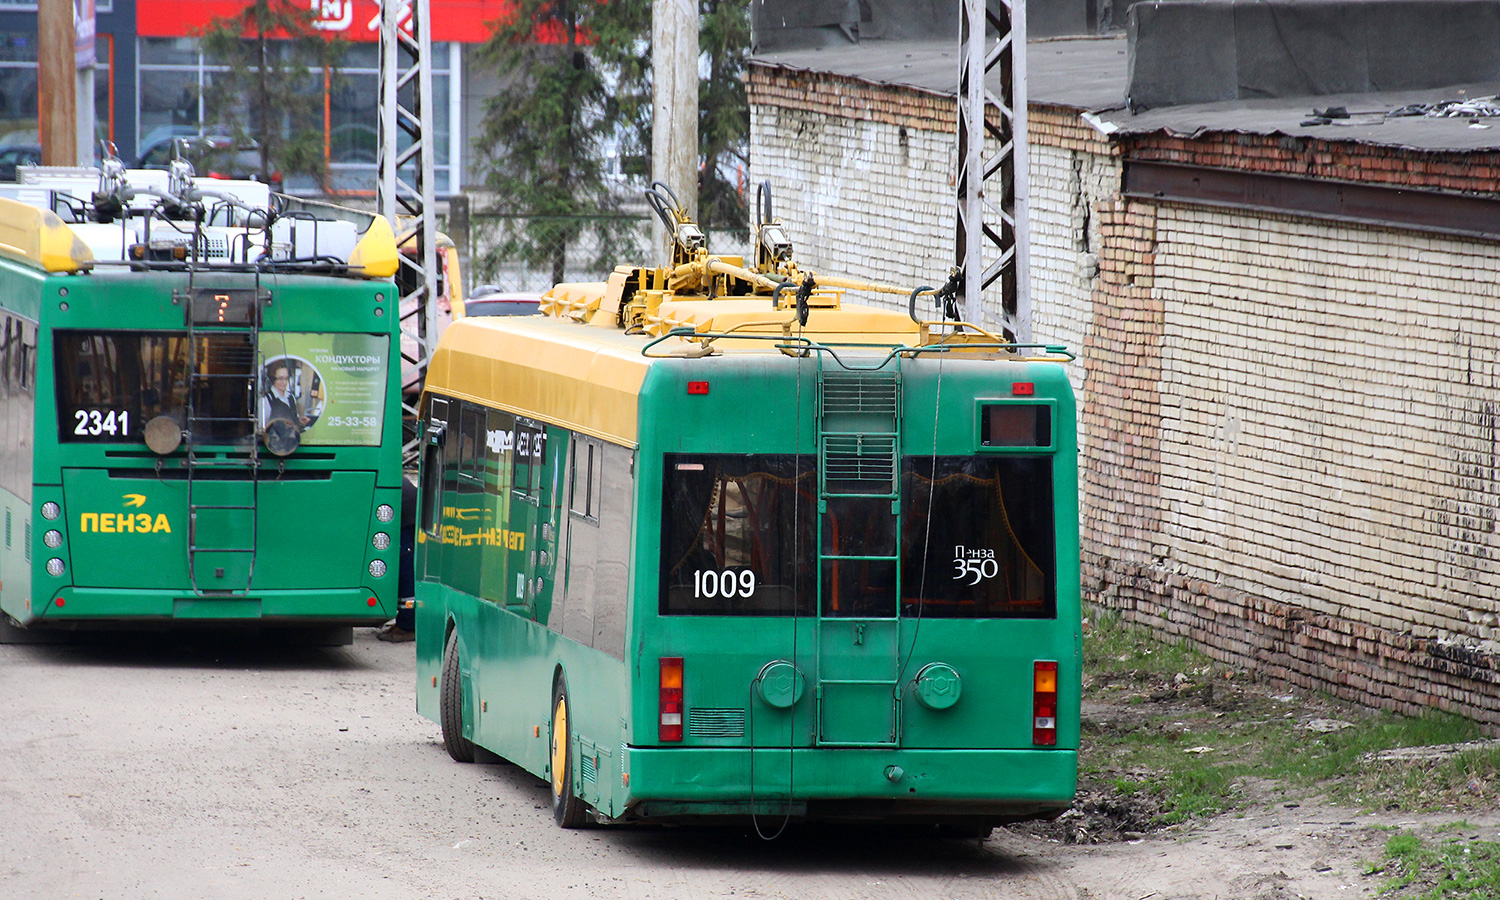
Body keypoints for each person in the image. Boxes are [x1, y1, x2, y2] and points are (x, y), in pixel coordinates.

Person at [377, 476, 418, 642]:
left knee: (404, 564)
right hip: (399, 507)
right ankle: (404, 621)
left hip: (404, 512)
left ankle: (409, 626)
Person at [259, 362, 311, 430]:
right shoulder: (266, 400)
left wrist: (299, 421)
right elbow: (261, 427)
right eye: (280, 378)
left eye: (286, 378)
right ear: (272, 379)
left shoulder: (291, 397)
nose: (284, 382)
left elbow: (293, 418)